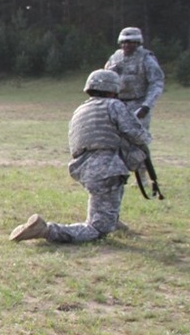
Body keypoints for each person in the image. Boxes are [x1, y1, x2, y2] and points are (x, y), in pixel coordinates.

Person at [10, 70, 152, 244]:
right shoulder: (113, 105)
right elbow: (138, 135)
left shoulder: (81, 109)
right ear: (112, 90)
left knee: (107, 200)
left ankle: (112, 219)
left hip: (85, 168)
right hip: (107, 168)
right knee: (97, 230)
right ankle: (46, 230)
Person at [104, 27, 164, 130]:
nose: (126, 45)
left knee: (137, 139)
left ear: (137, 43)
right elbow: (106, 78)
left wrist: (146, 106)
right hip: (117, 104)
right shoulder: (115, 58)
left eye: (130, 42)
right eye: (123, 42)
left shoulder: (146, 59)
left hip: (138, 105)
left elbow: (156, 83)